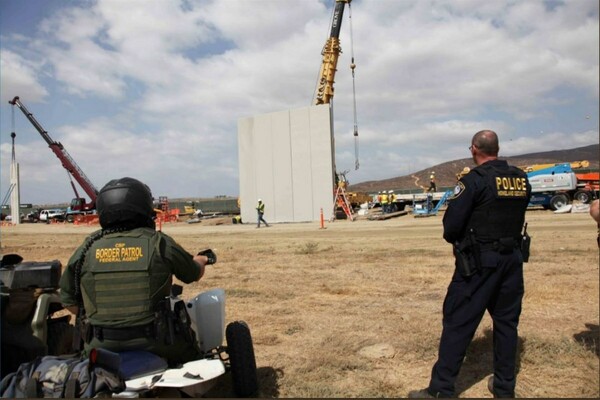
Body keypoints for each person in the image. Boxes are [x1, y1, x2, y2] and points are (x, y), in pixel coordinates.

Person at [409, 130, 531, 398]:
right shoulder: (520, 179)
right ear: (497, 148)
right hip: (512, 260)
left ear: (474, 149)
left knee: (458, 323)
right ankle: (504, 387)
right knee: (507, 324)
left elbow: (451, 227)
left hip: (479, 263)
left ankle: (440, 390)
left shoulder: (473, 181)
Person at [60, 177, 211, 366]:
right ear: (144, 207)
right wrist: (202, 259)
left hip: (100, 345)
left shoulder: (87, 248)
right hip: (157, 341)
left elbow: (68, 299)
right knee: (195, 359)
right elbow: (192, 274)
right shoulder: (158, 242)